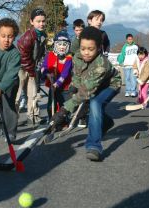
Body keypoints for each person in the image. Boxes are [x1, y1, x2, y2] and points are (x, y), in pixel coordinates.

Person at [51, 26, 121, 161]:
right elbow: (78, 76)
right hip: (92, 83)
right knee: (88, 104)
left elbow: (86, 90)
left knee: (95, 103)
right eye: (83, 48)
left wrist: (64, 110)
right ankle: (106, 122)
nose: (86, 53)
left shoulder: (101, 65)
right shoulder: (77, 56)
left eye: (91, 49)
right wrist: (73, 88)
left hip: (110, 85)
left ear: (99, 48)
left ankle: (94, 146)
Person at [16, 8, 47, 125]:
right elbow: (23, 56)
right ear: (31, 22)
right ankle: (13, 118)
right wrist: (31, 71)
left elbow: (41, 53)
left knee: (33, 94)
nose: (41, 24)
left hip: (31, 67)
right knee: (17, 95)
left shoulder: (43, 35)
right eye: (38, 21)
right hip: (20, 68)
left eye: (43, 21)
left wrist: (39, 66)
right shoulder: (28, 36)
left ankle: (33, 116)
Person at [41, 31, 73, 120]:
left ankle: (64, 121)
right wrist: (46, 73)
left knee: (65, 106)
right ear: (55, 44)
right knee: (51, 106)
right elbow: (44, 67)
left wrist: (57, 84)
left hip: (64, 87)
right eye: (59, 44)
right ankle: (51, 120)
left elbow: (65, 73)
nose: (62, 47)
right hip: (52, 85)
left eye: (64, 45)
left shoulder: (69, 58)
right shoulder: (50, 55)